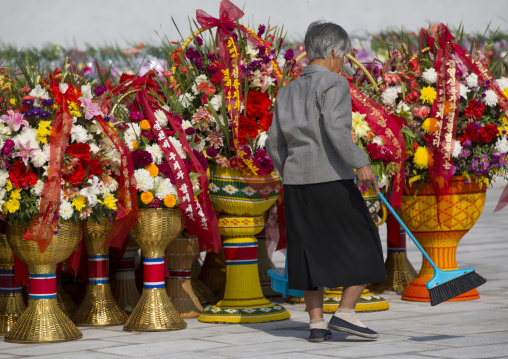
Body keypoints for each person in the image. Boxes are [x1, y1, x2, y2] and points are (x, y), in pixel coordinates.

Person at [266, 20, 387, 342]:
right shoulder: (334, 83)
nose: (344, 60)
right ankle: (346, 313)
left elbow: (272, 144)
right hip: (330, 177)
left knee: (308, 251)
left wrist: (291, 169)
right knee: (366, 242)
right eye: (344, 54)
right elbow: (336, 130)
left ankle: (316, 324)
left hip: (296, 183)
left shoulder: (287, 89)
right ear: (334, 51)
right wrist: (361, 163)